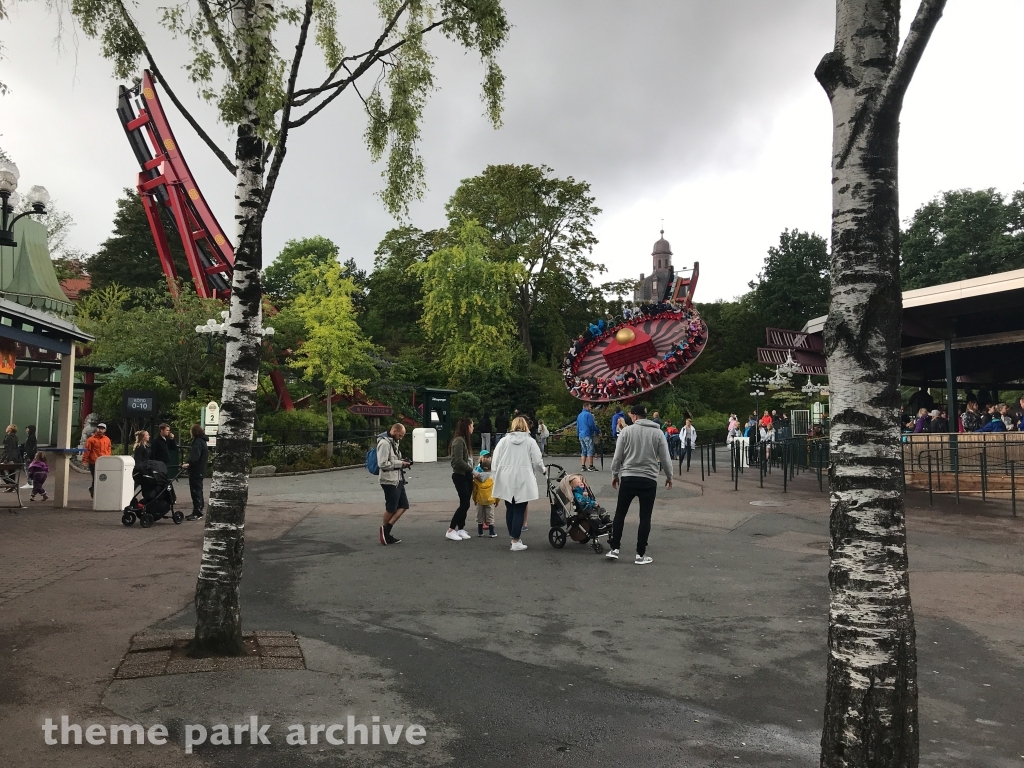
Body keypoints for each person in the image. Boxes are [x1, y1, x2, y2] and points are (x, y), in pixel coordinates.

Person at [606, 405, 672, 565]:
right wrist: (669, 476)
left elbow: (617, 456)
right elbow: (665, 457)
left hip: (628, 476)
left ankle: (615, 548)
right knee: (645, 517)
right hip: (648, 479)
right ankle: (640, 554)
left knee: (620, 513)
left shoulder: (626, 432)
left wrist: (615, 474)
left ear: (635, 416)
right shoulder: (657, 433)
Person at [491, 416, 544, 552]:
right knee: (520, 508)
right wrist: (543, 470)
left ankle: (513, 537)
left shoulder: (504, 441)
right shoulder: (530, 442)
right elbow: (537, 461)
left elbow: (495, 460)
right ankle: (515, 539)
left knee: (510, 507)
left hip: (506, 476)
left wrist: (495, 475)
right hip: (523, 476)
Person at [377, 423, 411, 545]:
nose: (401, 438)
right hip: (389, 480)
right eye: (400, 435)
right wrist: (400, 464)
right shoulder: (384, 443)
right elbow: (382, 464)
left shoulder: (394, 442)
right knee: (391, 508)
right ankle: (385, 532)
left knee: (404, 505)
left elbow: (393, 459)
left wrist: (403, 462)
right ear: (394, 431)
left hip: (398, 478)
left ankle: (386, 531)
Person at [446, 417, 475, 541]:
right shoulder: (458, 441)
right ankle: (451, 529)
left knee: (466, 503)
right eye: (472, 425)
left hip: (466, 475)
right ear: (467, 426)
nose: (473, 428)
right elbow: (457, 461)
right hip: (460, 475)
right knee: (465, 503)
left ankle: (461, 528)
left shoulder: (463, 440)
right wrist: (472, 470)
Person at [182, 424, 208, 521]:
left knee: (195, 491)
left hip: (196, 470)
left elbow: (195, 457)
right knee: (198, 490)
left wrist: (188, 463)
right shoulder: (203, 441)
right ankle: (199, 509)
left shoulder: (197, 442)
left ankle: (197, 512)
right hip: (201, 470)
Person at [82, 423, 111, 498]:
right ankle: (94, 493)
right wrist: (84, 460)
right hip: (94, 462)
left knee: (103, 478)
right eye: (99, 428)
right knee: (96, 478)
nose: (100, 430)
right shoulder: (91, 439)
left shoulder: (107, 439)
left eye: (102, 429)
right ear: (97, 429)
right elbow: (87, 451)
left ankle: (96, 491)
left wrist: (109, 459)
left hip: (104, 462)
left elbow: (109, 450)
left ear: (105, 430)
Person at [472, 452, 497, 537]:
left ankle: (480, 532)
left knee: (480, 516)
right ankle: (492, 532)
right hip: (490, 500)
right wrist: (496, 500)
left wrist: (474, 499)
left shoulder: (477, 478)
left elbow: (474, 490)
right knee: (490, 516)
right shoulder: (493, 478)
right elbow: (496, 490)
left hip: (480, 499)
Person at [576, 403, 599, 472]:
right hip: (587, 434)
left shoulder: (579, 415)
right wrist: (597, 431)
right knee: (590, 449)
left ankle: (583, 466)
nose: (591, 408)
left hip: (581, 435)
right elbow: (592, 424)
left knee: (583, 450)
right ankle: (590, 466)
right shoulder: (589, 415)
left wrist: (578, 433)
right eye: (590, 407)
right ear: (586, 407)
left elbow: (577, 426)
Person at [1, 425, 19, 491]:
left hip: (8, 456)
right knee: (11, 470)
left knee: (1, 470)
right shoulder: (15, 437)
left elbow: (8, 448)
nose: (6, 428)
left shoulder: (8, 437)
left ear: (10, 429)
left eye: (8, 427)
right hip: (14, 457)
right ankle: (12, 485)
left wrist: (5, 458)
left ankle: (9, 484)